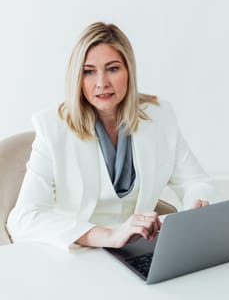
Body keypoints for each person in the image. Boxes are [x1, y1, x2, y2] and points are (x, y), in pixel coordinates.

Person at [7, 22, 217, 251]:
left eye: (113, 68)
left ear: (129, 71)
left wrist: (197, 204)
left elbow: (196, 182)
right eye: (89, 71)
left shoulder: (160, 117)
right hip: (78, 252)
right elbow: (23, 219)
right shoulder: (52, 127)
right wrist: (106, 236)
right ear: (77, 77)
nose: (102, 83)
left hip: (136, 251)